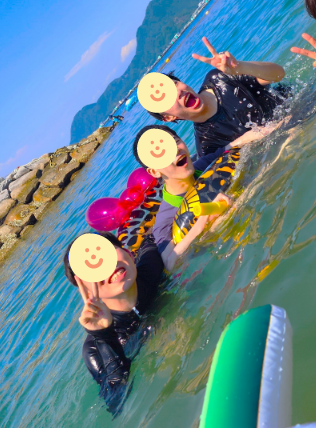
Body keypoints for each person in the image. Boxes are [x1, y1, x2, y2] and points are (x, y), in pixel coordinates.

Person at [63, 231, 164, 414]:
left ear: (127, 252)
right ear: (84, 289)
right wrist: (104, 336)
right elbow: (117, 402)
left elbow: (157, 235)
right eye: (92, 267)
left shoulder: (152, 264)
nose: (107, 265)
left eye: (107, 252)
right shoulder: (95, 347)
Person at [146, 37, 289, 156]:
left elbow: (279, 73)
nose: (178, 93)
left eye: (174, 85)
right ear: (168, 117)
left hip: (297, 104)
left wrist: (240, 67)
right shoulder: (208, 146)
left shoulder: (220, 77)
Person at [132, 124, 231, 271]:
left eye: (174, 141)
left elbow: (236, 144)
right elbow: (169, 262)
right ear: (154, 172)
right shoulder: (165, 221)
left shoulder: (204, 166)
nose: (175, 151)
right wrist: (204, 220)